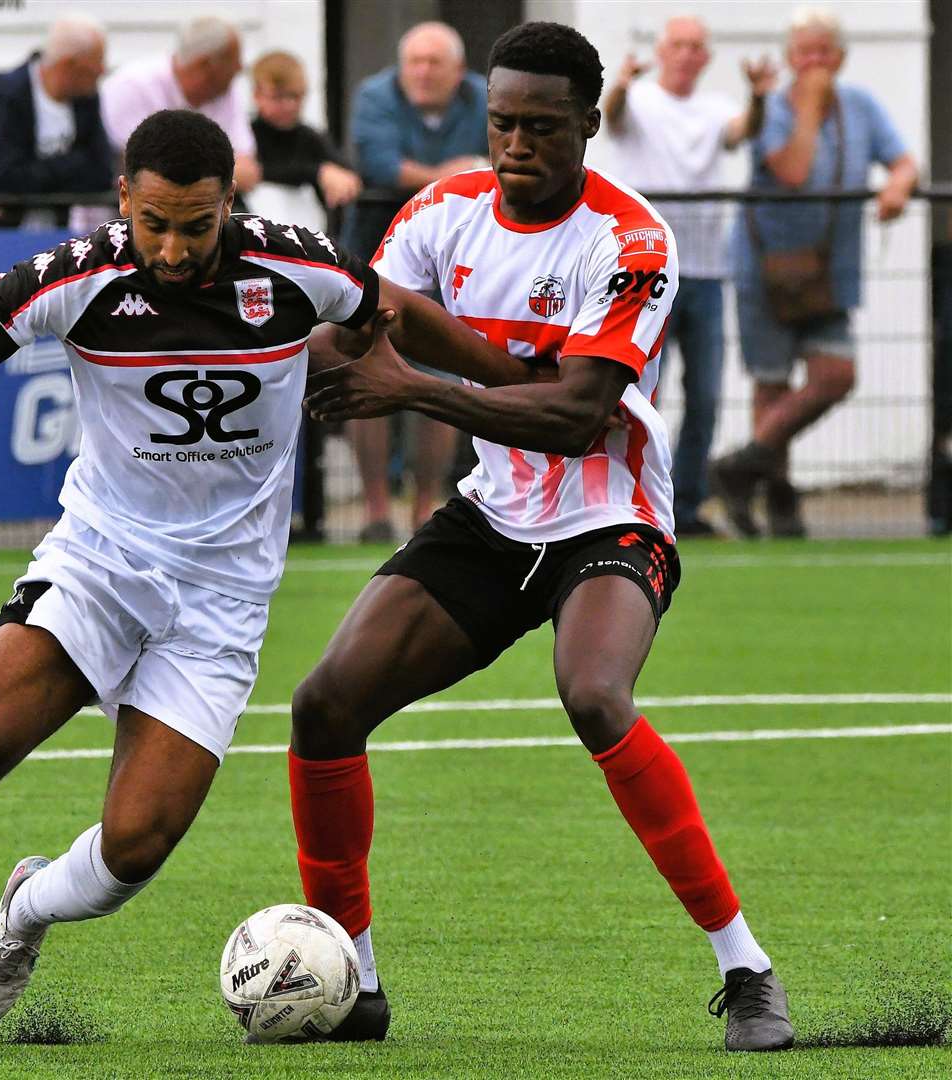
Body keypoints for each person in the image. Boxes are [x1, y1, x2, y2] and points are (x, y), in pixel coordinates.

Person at [0, 109, 554, 1048]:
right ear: (124, 200)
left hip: (221, 604)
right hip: (99, 563)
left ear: (231, 202)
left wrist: (513, 380)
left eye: (197, 224)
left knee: (133, 850)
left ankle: (27, 905)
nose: (176, 248)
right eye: (155, 223)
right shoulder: (77, 276)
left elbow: (393, 315)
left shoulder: (298, 265)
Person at [288, 22, 793, 1052]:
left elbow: (571, 416)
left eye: (541, 127)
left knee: (593, 694)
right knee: (324, 705)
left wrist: (414, 381)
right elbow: (366, 329)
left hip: (607, 516)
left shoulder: (631, 241)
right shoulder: (441, 211)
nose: (515, 144)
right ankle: (351, 983)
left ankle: (745, 970)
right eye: (500, 124)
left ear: (589, 125)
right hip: (493, 514)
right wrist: (300, 341)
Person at [711, 7, 918, 538]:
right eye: (805, 53)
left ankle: (742, 466)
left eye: (824, 53)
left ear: (842, 57)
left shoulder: (863, 106)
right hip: (765, 267)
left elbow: (903, 159)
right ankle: (779, 498)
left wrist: (897, 184)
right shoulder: (774, 110)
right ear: (788, 59)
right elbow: (795, 171)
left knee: (836, 374)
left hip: (831, 269)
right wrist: (807, 106)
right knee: (771, 382)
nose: (815, 64)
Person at [601, 16, 776, 537]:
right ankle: (630, 498)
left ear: (705, 57)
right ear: (663, 50)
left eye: (696, 46)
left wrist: (760, 97)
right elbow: (614, 117)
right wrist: (623, 84)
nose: (685, 54)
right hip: (646, 274)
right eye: (678, 45)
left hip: (703, 272)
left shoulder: (716, 109)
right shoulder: (640, 102)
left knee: (704, 397)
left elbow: (744, 129)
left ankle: (689, 504)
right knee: (638, 393)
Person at [342, 21, 490, 541]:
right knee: (367, 374)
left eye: (435, 63)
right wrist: (462, 172)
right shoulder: (374, 96)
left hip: (456, 260)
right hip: (377, 252)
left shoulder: (484, 95)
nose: (424, 73)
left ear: (458, 69)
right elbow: (380, 165)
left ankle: (426, 506)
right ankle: (376, 510)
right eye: (415, 63)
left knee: (442, 378)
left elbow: (501, 164)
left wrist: (434, 173)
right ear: (401, 67)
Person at [0, 15, 111, 228]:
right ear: (68, 65)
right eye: (95, 64)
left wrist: (34, 173)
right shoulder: (7, 95)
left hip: (54, 233)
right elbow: (1, 178)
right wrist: (72, 163)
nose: (102, 71)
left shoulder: (86, 99)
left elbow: (100, 172)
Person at [101, 16, 261, 195]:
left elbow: (247, 170)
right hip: (124, 217)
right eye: (234, 60)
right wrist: (219, 169)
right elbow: (144, 168)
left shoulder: (225, 91)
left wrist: (188, 168)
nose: (240, 68)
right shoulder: (131, 87)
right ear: (205, 65)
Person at [248, 50, 361, 218]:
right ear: (257, 95)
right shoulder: (246, 135)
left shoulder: (311, 138)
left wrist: (345, 181)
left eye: (295, 96)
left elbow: (347, 174)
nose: (288, 105)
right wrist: (317, 173)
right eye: (278, 97)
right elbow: (255, 172)